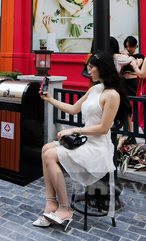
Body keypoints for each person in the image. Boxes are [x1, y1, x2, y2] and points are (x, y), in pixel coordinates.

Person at [35, 50, 131, 230]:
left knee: (50, 156)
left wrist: (74, 129)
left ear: (102, 68)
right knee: (45, 149)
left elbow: (103, 128)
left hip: (97, 148)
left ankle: (64, 209)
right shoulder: (94, 89)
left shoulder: (112, 95)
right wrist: (50, 100)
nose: (89, 71)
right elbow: (73, 109)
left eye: (91, 67)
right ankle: (51, 204)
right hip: (85, 142)